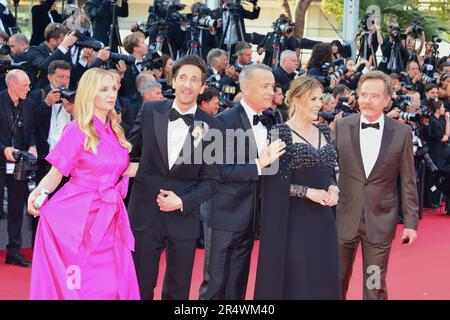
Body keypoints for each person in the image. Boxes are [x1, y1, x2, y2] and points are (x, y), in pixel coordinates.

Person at [27, 68, 140, 299]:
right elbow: (56, 173)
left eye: (114, 89)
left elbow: (124, 169)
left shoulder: (115, 131)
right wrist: (37, 194)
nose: (112, 95)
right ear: (90, 94)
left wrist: (170, 167)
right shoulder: (77, 131)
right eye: (104, 90)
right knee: (83, 284)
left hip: (110, 218)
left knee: (111, 284)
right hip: (79, 218)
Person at [127, 55, 223, 300]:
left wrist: (182, 201)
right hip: (144, 213)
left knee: (178, 289)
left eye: (194, 80)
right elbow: (127, 148)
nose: (187, 85)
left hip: (183, 216)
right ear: (174, 80)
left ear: (202, 87)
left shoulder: (212, 126)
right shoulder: (149, 110)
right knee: (139, 284)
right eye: (183, 78)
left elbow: (212, 181)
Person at [199, 63, 286, 300]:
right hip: (222, 215)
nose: (271, 91)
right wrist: (260, 163)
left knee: (237, 285)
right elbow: (216, 171)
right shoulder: (223, 122)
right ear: (246, 88)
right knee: (215, 284)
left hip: (250, 217)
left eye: (273, 86)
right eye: (265, 86)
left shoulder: (269, 120)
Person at [333, 71, 419, 300]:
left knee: (374, 284)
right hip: (343, 217)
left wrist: (411, 222)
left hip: (379, 222)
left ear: (387, 100)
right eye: (363, 95)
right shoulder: (341, 126)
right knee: (335, 282)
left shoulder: (401, 133)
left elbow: (408, 180)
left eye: (374, 96)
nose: (367, 101)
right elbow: (327, 169)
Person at [254, 76, 341, 299]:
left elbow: (329, 172)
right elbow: (271, 184)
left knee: (324, 276)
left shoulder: (324, 132)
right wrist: (307, 192)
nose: (318, 104)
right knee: (299, 280)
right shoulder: (280, 133)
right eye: (312, 98)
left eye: (320, 98)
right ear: (296, 99)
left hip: (325, 219)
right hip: (294, 220)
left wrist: (334, 188)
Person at [0, 70, 35, 268]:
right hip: (1, 159)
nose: (29, 89)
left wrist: (32, 146)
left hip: (19, 162)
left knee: (16, 207)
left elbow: (30, 131)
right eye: (25, 85)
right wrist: (4, 149)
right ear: (12, 85)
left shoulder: (29, 104)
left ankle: (14, 251)